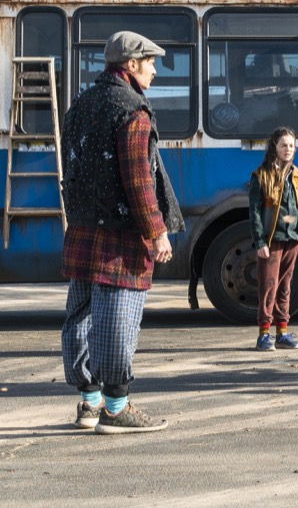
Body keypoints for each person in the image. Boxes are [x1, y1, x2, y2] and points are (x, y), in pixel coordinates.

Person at [60, 31, 184, 434]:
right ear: (130, 65)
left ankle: (89, 402)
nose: (154, 71)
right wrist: (157, 231)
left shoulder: (81, 104)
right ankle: (116, 408)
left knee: (81, 316)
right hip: (121, 239)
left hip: (82, 230)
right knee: (117, 316)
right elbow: (138, 179)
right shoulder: (131, 109)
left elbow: (71, 171)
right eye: (149, 62)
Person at [249, 127, 298, 351]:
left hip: (293, 238)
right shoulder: (261, 176)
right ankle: (264, 334)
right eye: (283, 145)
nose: (288, 149)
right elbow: (255, 212)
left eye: (291, 145)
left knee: (285, 286)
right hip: (272, 239)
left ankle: (283, 332)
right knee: (268, 286)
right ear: (274, 148)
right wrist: (260, 242)